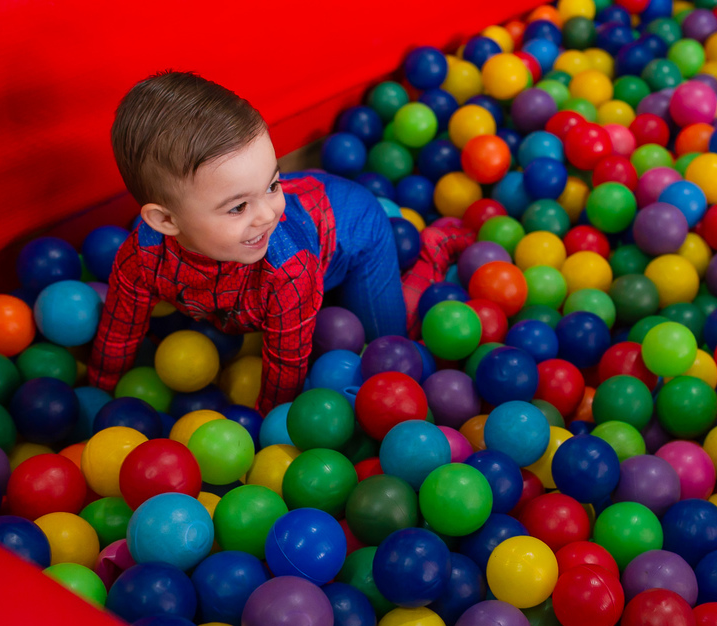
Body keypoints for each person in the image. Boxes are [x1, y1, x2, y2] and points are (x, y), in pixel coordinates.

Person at [87, 70, 473, 413]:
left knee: (388, 353)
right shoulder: (142, 257)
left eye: (273, 184)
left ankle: (434, 245)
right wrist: (99, 391)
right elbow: (119, 329)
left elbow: (286, 369)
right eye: (238, 207)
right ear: (166, 221)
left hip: (355, 232)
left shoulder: (288, 269)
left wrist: (268, 432)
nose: (268, 215)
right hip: (307, 225)